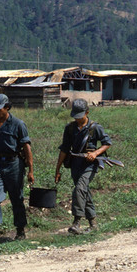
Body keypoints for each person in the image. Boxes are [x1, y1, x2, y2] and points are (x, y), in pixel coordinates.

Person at [0, 94, 34, 244]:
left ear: (7, 107)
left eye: (0, 109)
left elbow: (27, 148)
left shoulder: (18, 124)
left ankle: (20, 230)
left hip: (14, 164)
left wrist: (30, 170)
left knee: (17, 198)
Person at [55, 99, 112, 234]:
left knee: (80, 188)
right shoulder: (69, 128)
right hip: (75, 164)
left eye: (80, 116)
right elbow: (64, 149)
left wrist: (95, 153)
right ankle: (93, 222)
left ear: (87, 112)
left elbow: (107, 143)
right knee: (83, 191)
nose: (78, 119)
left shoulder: (95, 127)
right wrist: (57, 170)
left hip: (90, 165)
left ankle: (76, 222)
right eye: (75, 116)